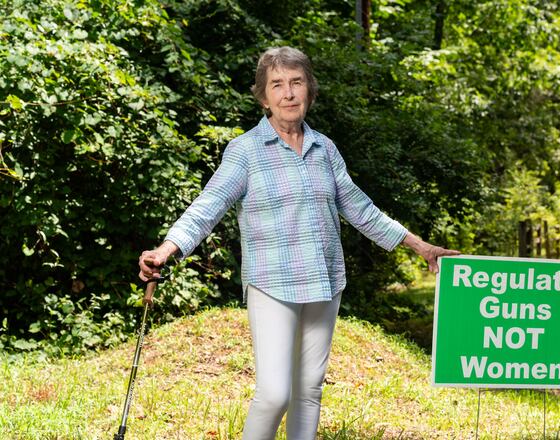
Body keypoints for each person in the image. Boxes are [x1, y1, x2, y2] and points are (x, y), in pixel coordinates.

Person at [137, 46, 458, 440]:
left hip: (324, 281)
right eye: (277, 85)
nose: (288, 93)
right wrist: (168, 249)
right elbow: (210, 205)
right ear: (263, 96)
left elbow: (361, 210)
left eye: (296, 82)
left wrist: (421, 246)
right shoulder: (246, 151)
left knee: (308, 391)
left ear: (309, 90)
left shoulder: (325, 149)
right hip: (272, 283)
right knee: (274, 393)